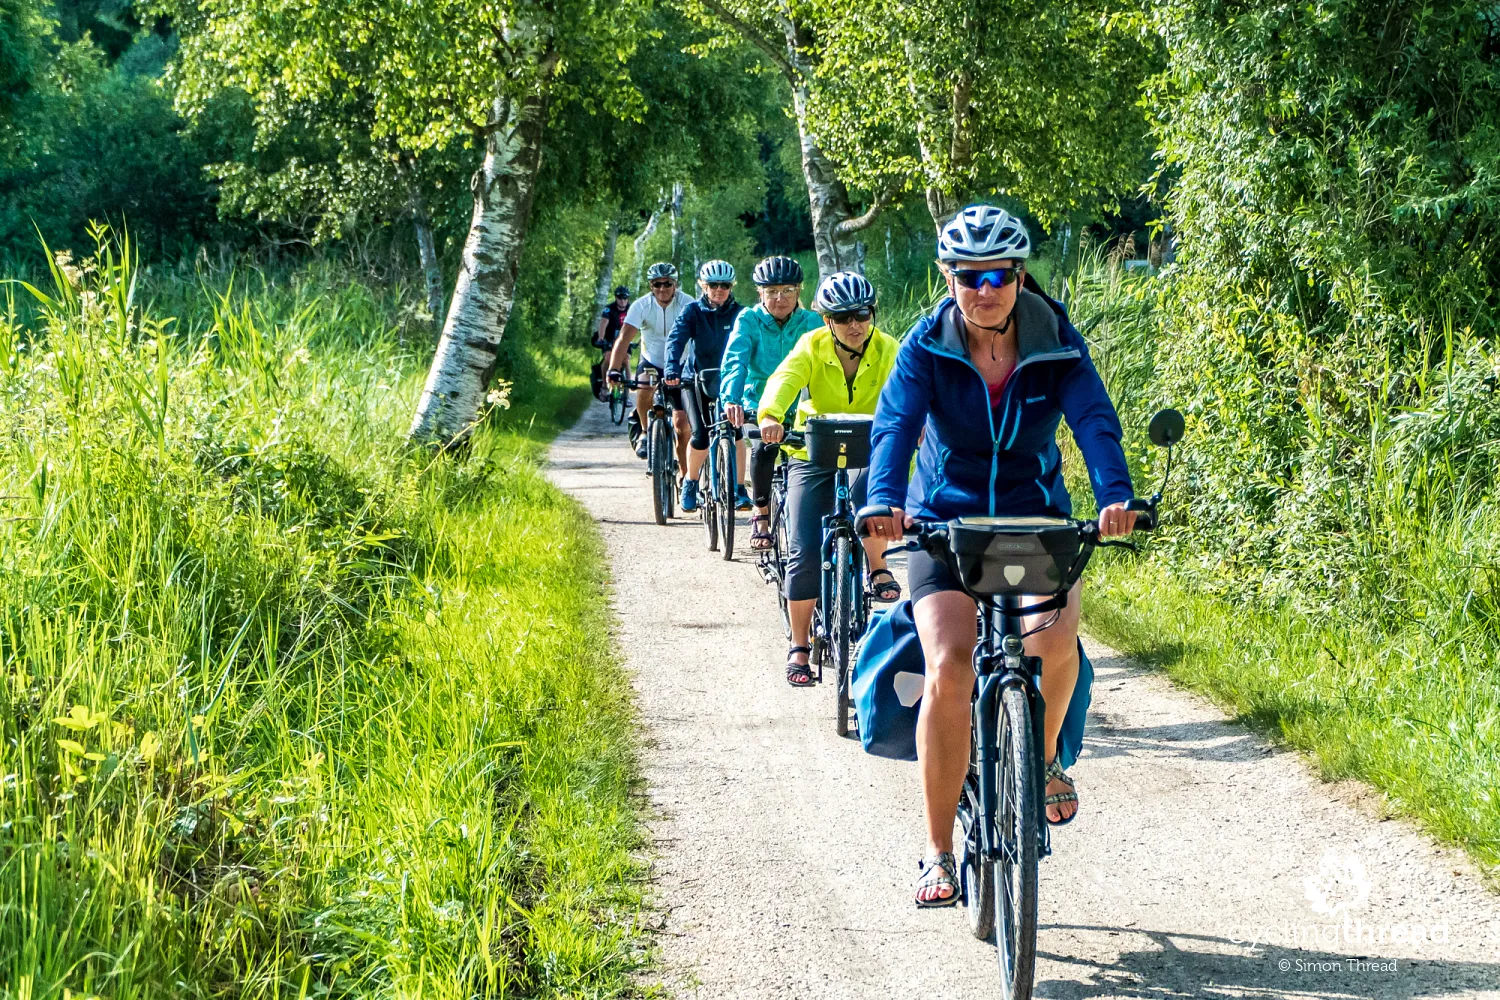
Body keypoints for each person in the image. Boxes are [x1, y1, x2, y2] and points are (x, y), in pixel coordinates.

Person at [861, 204, 1139, 908]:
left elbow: (1094, 420)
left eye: (998, 275)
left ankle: (1041, 761)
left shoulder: (1056, 341)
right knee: (950, 662)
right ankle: (937, 851)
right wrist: (885, 498)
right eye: (967, 275)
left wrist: (1116, 495)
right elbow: (896, 425)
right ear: (948, 277)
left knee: (1057, 633)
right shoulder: (926, 346)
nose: (983, 289)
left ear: (1019, 277)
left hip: (1031, 515)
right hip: (943, 522)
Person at [757, 271, 903, 686]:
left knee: (873, 504)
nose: (855, 325)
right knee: (804, 550)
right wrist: (770, 416)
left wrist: (922, 422)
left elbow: (911, 391)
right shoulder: (811, 346)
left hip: (871, 446)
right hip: (814, 448)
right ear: (827, 322)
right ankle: (799, 646)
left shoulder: (889, 348)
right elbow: (784, 380)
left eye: (862, 315)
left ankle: (876, 567)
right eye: (842, 318)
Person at [720, 255, 823, 551]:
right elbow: (735, 361)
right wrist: (732, 399)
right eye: (772, 291)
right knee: (765, 448)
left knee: (814, 457)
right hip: (757, 402)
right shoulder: (749, 320)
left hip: (799, 405)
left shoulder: (811, 322)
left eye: (788, 291)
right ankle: (761, 513)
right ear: (760, 293)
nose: (780, 298)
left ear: (799, 291)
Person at [664, 260, 750, 513]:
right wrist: (671, 368)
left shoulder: (741, 313)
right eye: (713, 285)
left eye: (724, 285)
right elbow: (676, 340)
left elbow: (753, 342)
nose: (719, 290)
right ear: (703, 286)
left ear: (732, 286)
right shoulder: (692, 312)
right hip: (696, 380)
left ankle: (740, 488)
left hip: (730, 381)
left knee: (736, 431)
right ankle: (690, 483)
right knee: (700, 433)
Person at [609, 263, 692, 467]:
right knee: (643, 386)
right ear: (650, 286)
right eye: (656, 284)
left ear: (675, 284)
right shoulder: (641, 305)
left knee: (683, 423)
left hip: (681, 361)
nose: (662, 289)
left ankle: (686, 472)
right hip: (651, 359)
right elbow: (624, 339)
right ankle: (645, 432)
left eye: (667, 284)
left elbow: (702, 336)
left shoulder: (688, 303)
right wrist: (613, 369)